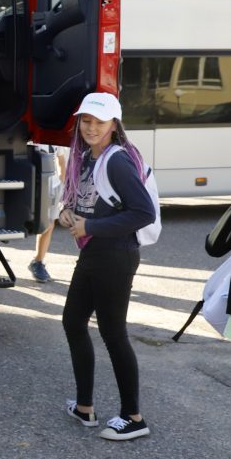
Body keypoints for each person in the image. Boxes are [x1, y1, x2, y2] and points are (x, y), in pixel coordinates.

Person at [58, 92, 156, 441]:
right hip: (95, 252)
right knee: (73, 322)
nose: (91, 127)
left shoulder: (116, 160)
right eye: (86, 120)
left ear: (114, 126)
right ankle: (85, 406)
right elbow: (81, 199)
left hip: (115, 254)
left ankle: (133, 417)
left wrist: (91, 227)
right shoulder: (86, 157)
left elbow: (144, 212)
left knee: (113, 334)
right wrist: (68, 212)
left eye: (99, 122)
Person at [28, 144, 69, 283]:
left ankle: (38, 261)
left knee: (49, 225)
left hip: (53, 187)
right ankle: (37, 262)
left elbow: (61, 162)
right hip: (36, 186)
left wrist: (62, 186)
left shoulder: (56, 141)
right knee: (44, 224)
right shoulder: (33, 140)